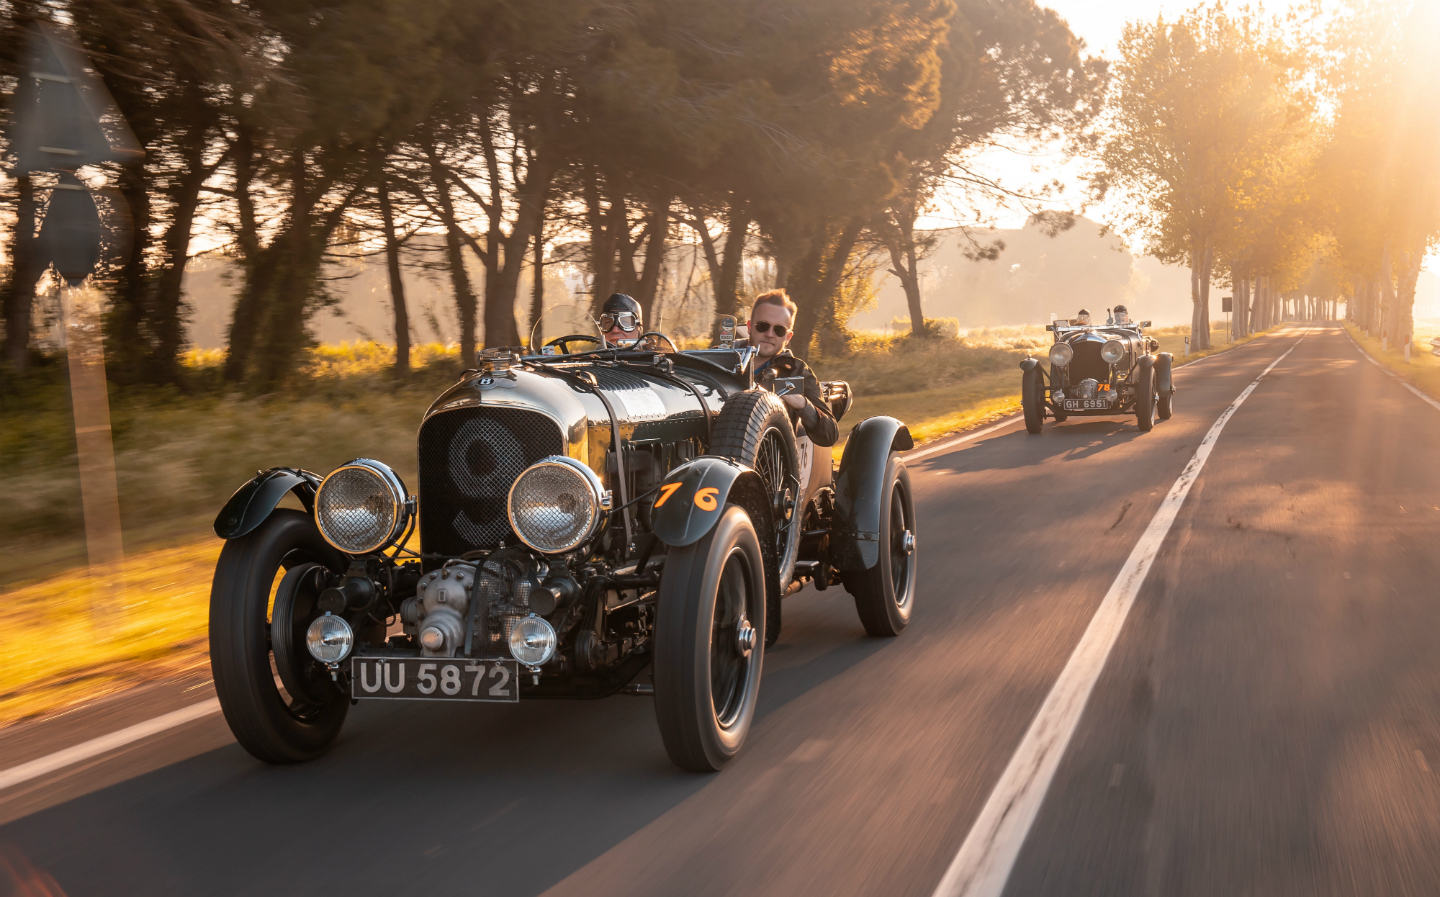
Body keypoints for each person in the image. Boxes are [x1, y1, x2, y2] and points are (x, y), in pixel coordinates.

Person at [744, 289, 839, 447]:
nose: (769, 334)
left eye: (779, 330)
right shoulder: (717, 360)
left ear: (788, 337)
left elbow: (830, 433)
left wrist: (802, 404)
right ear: (749, 327)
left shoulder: (798, 372)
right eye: (762, 326)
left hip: (770, 466)